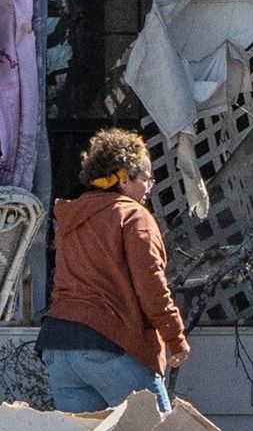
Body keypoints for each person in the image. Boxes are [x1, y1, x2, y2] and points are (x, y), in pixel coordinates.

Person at [38, 128, 190, 412]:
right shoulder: (133, 216)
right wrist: (175, 336)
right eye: (146, 178)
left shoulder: (73, 218)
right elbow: (151, 286)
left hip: (59, 346)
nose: (149, 186)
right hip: (108, 343)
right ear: (124, 179)